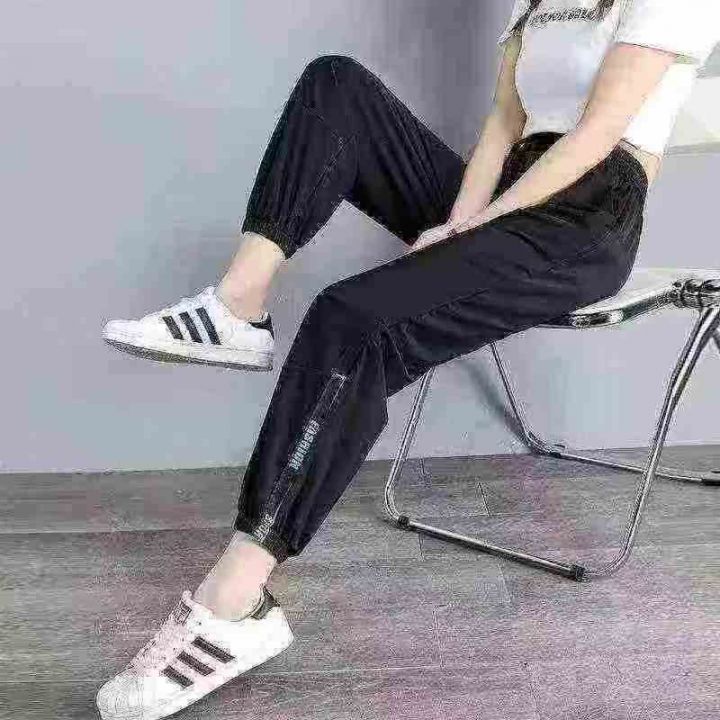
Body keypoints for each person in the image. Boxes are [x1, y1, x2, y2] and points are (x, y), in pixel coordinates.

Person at [96, 1, 720, 718]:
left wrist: (473, 229)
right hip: (513, 190)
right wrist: (459, 222)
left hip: (585, 216)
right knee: (337, 86)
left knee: (350, 319)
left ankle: (235, 602)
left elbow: (597, 133)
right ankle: (239, 305)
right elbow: (503, 126)